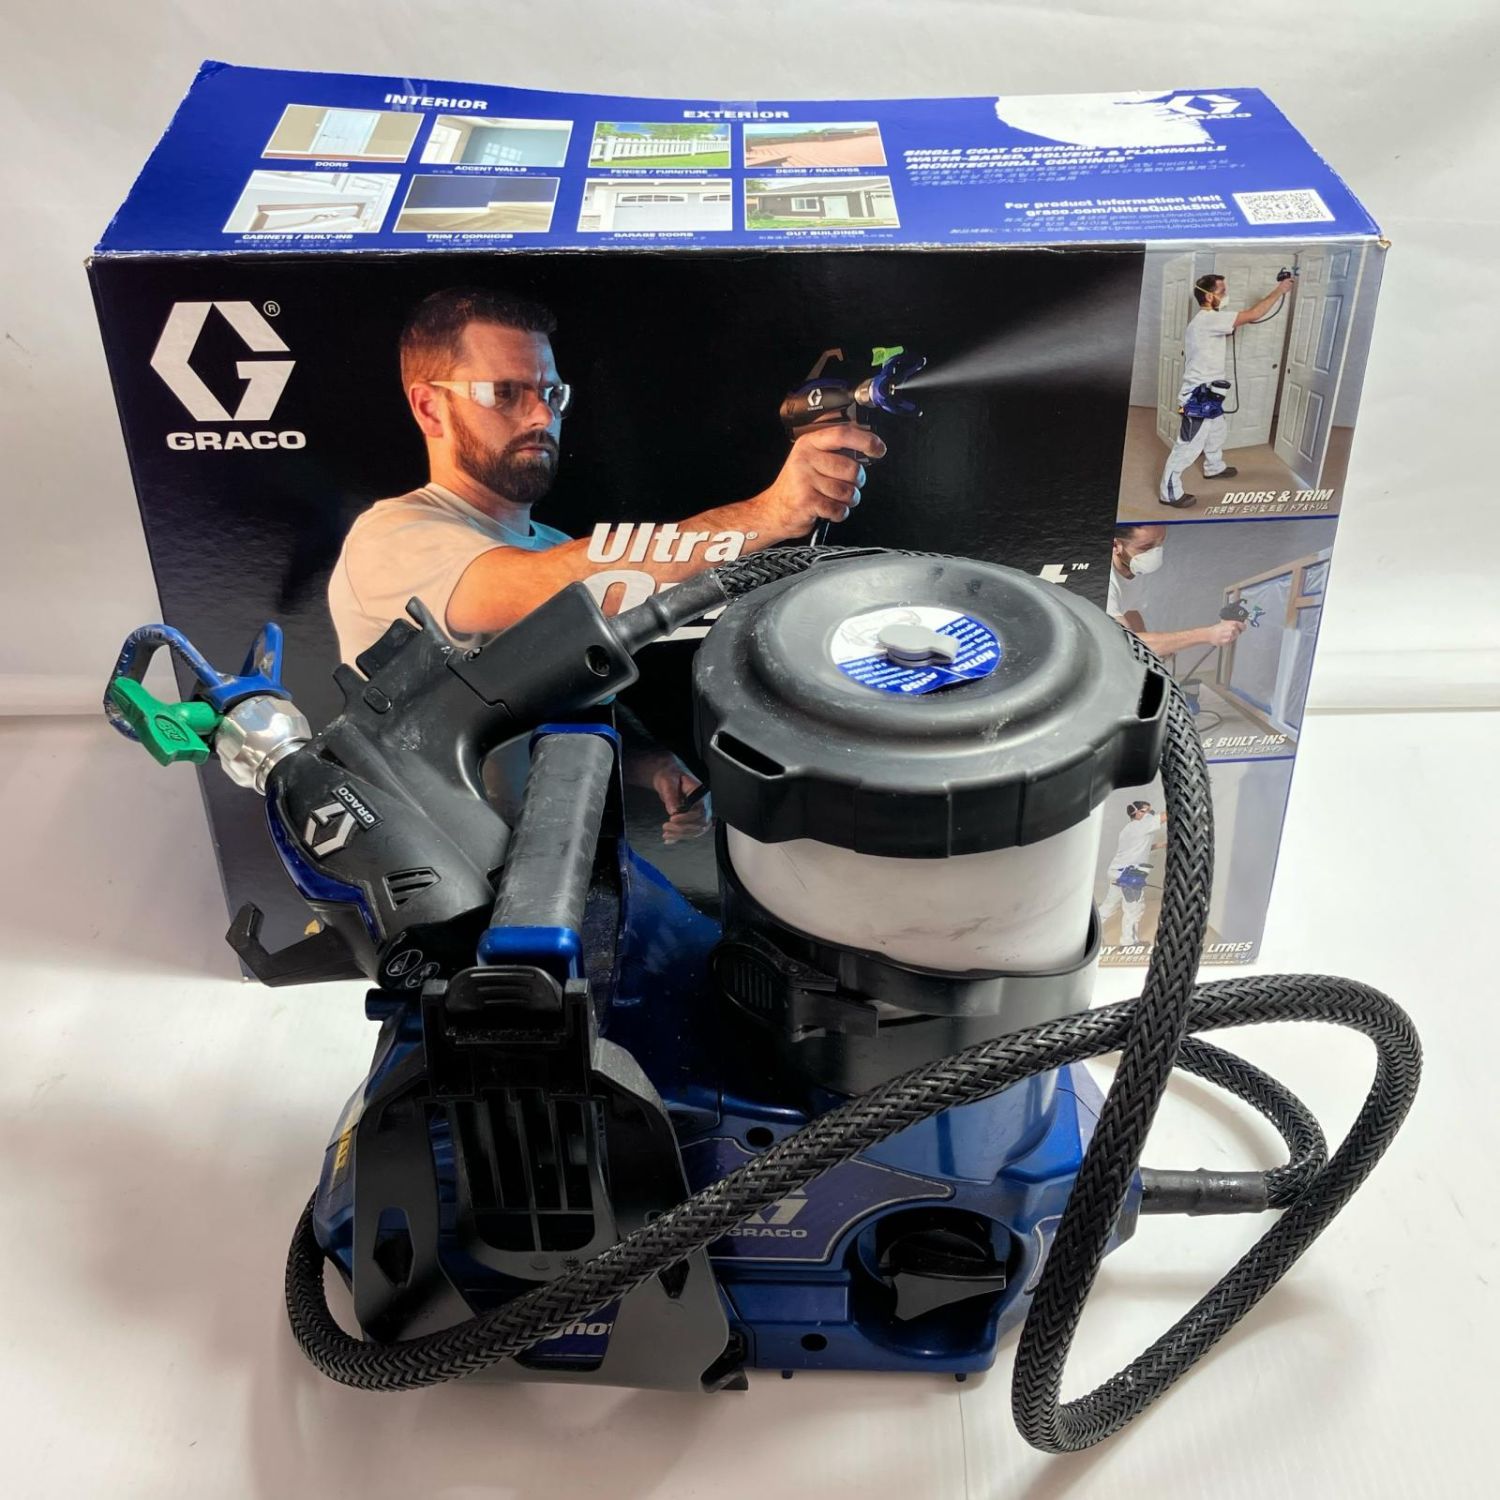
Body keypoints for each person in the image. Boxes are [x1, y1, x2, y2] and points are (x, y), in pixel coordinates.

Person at [328, 286, 886, 843]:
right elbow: (549, 587)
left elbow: (572, 708)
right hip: (435, 872)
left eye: (552, 392)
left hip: (556, 864)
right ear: (430, 407)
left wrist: (654, 766)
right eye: (504, 392)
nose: (542, 414)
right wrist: (768, 514)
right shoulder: (392, 537)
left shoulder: (553, 547)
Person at [1158, 271, 1295, 509]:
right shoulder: (1207, 320)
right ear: (1208, 296)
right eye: (1222, 291)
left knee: (1217, 432)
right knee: (1188, 446)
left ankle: (1214, 467)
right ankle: (1168, 493)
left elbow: (1234, 327)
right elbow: (1254, 314)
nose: (1226, 295)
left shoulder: (1210, 320)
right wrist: (1280, 290)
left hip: (1211, 392)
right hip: (1198, 396)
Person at [1107, 524, 1246, 659]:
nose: (1155, 553)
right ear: (1115, 546)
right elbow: (1126, 643)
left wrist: (1158, 648)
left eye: (1160, 543)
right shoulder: (1106, 582)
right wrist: (1208, 634)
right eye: (1146, 547)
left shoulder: (1134, 569)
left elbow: (1130, 612)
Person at [1099, 800, 1166, 947]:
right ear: (1137, 813)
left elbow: (1137, 849)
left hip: (1117, 872)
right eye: (1147, 811)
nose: (1151, 814)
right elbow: (1165, 816)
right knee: (1134, 909)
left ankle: (1087, 934)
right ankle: (1129, 943)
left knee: (1109, 906)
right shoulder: (1143, 824)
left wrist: (1160, 845)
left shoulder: (1127, 829)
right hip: (1130, 875)